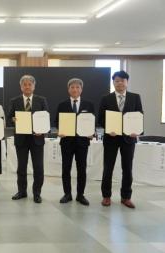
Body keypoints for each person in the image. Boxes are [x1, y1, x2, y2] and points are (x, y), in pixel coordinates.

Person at [98, 70, 143, 208]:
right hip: (111, 138)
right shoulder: (106, 98)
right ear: (113, 82)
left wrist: (138, 131)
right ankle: (106, 196)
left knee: (127, 168)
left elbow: (139, 115)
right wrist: (108, 128)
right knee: (108, 168)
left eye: (122, 81)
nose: (120, 83)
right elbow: (100, 119)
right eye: (117, 81)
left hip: (129, 139)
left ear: (127, 82)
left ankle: (126, 197)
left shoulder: (135, 97)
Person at [8, 74, 48, 203]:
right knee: (21, 167)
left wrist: (42, 131)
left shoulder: (41, 100)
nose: (27, 86)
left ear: (34, 86)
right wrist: (13, 119)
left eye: (29, 84)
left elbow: (46, 118)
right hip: (21, 139)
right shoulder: (15, 101)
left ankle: (37, 193)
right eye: (24, 84)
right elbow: (9, 118)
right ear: (21, 87)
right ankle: (22, 191)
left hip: (37, 139)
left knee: (38, 167)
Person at [56, 78, 95, 206]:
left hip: (82, 143)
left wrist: (92, 132)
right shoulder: (62, 105)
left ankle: (80, 195)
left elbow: (92, 122)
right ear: (68, 89)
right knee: (66, 169)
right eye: (72, 87)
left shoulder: (89, 105)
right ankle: (67, 194)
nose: (75, 89)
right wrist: (59, 131)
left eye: (77, 87)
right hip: (66, 142)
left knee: (81, 169)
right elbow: (56, 122)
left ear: (81, 89)